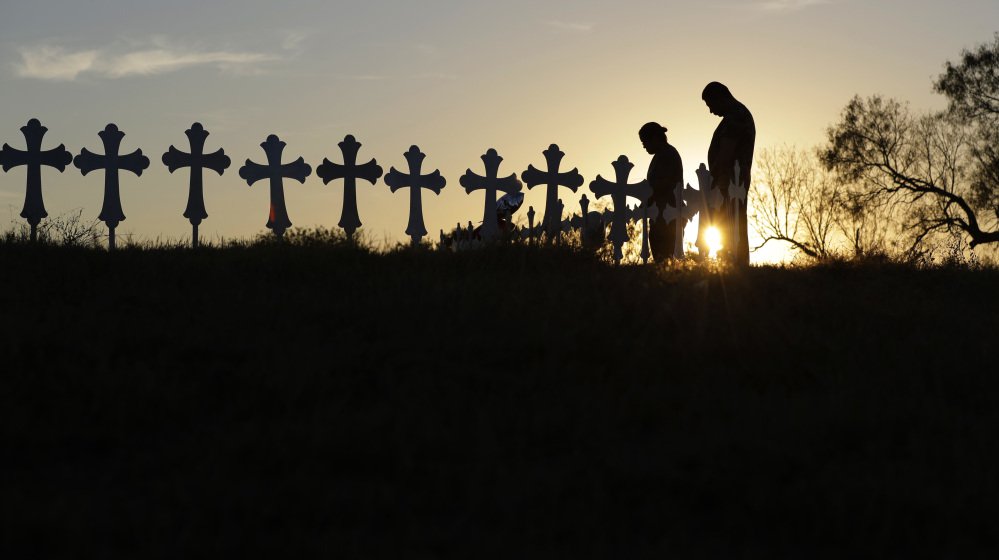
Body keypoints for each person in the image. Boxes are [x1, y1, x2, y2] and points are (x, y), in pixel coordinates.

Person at [700, 82, 755, 266]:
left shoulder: (736, 116)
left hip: (731, 182)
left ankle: (735, 265)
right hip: (727, 182)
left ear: (720, 98)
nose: (710, 111)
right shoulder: (734, 115)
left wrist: (714, 175)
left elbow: (727, 152)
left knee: (732, 225)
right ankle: (732, 263)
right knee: (730, 224)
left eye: (710, 105)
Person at [639, 122, 684, 262]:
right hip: (660, 213)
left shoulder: (667, 154)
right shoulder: (661, 154)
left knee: (665, 258)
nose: (644, 146)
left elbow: (664, 184)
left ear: (654, 138)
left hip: (667, 215)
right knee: (661, 259)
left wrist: (648, 197)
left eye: (645, 141)